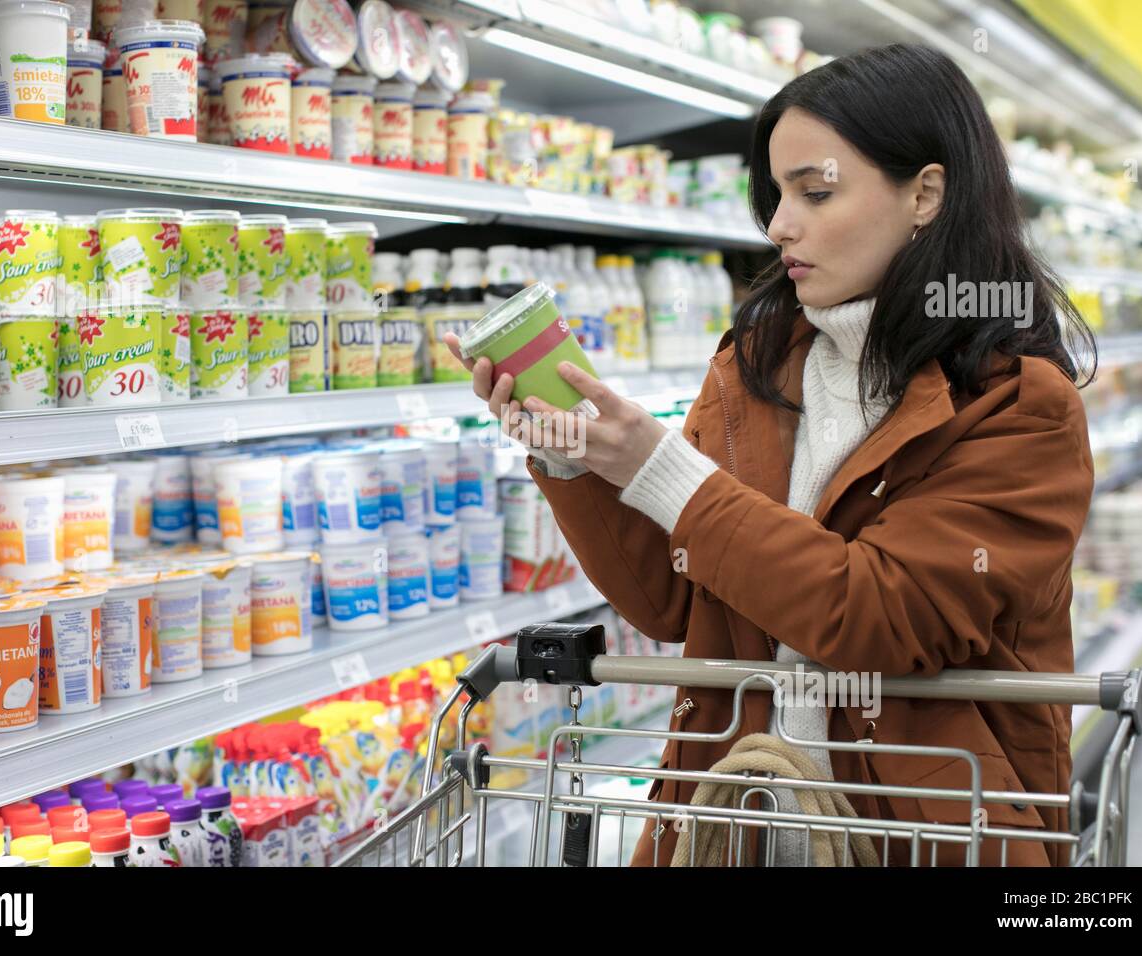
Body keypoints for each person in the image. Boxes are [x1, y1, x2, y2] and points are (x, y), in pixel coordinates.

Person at [445, 43, 1096, 867]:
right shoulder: (754, 365)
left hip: (924, 831)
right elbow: (669, 602)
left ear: (925, 193)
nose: (780, 223)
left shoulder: (1018, 406)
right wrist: (579, 460)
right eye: (776, 194)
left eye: (815, 192)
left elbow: (883, 616)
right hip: (730, 816)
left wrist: (659, 468)